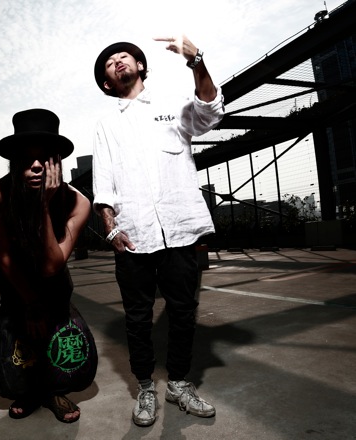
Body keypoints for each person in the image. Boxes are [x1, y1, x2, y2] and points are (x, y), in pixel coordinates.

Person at [91, 36, 224, 427]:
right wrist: (111, 230)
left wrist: (196, 60)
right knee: (137, 318)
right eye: (110, 62)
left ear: (140, 66)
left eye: (125, 56)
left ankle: (179, 384)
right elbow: (103, 182)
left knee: (183, 312)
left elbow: (209, 112)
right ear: (107, 83)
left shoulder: (171, 105)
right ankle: (146, 386)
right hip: (133, 236)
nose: (118, 60)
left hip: (178, 231)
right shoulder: (106, 124)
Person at [0, 109, 92, 424]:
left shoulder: (77, 202)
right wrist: (29, 304)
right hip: (15, 288)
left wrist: (44, 204)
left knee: (66, 357)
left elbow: (50, 267)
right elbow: (3, 257)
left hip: (55, 290)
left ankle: (56, 391)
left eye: (44, 158)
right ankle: (30, 391)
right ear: (13, 162)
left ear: (57, 163)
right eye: (26, 159)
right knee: (17, 369)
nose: (35, 166)